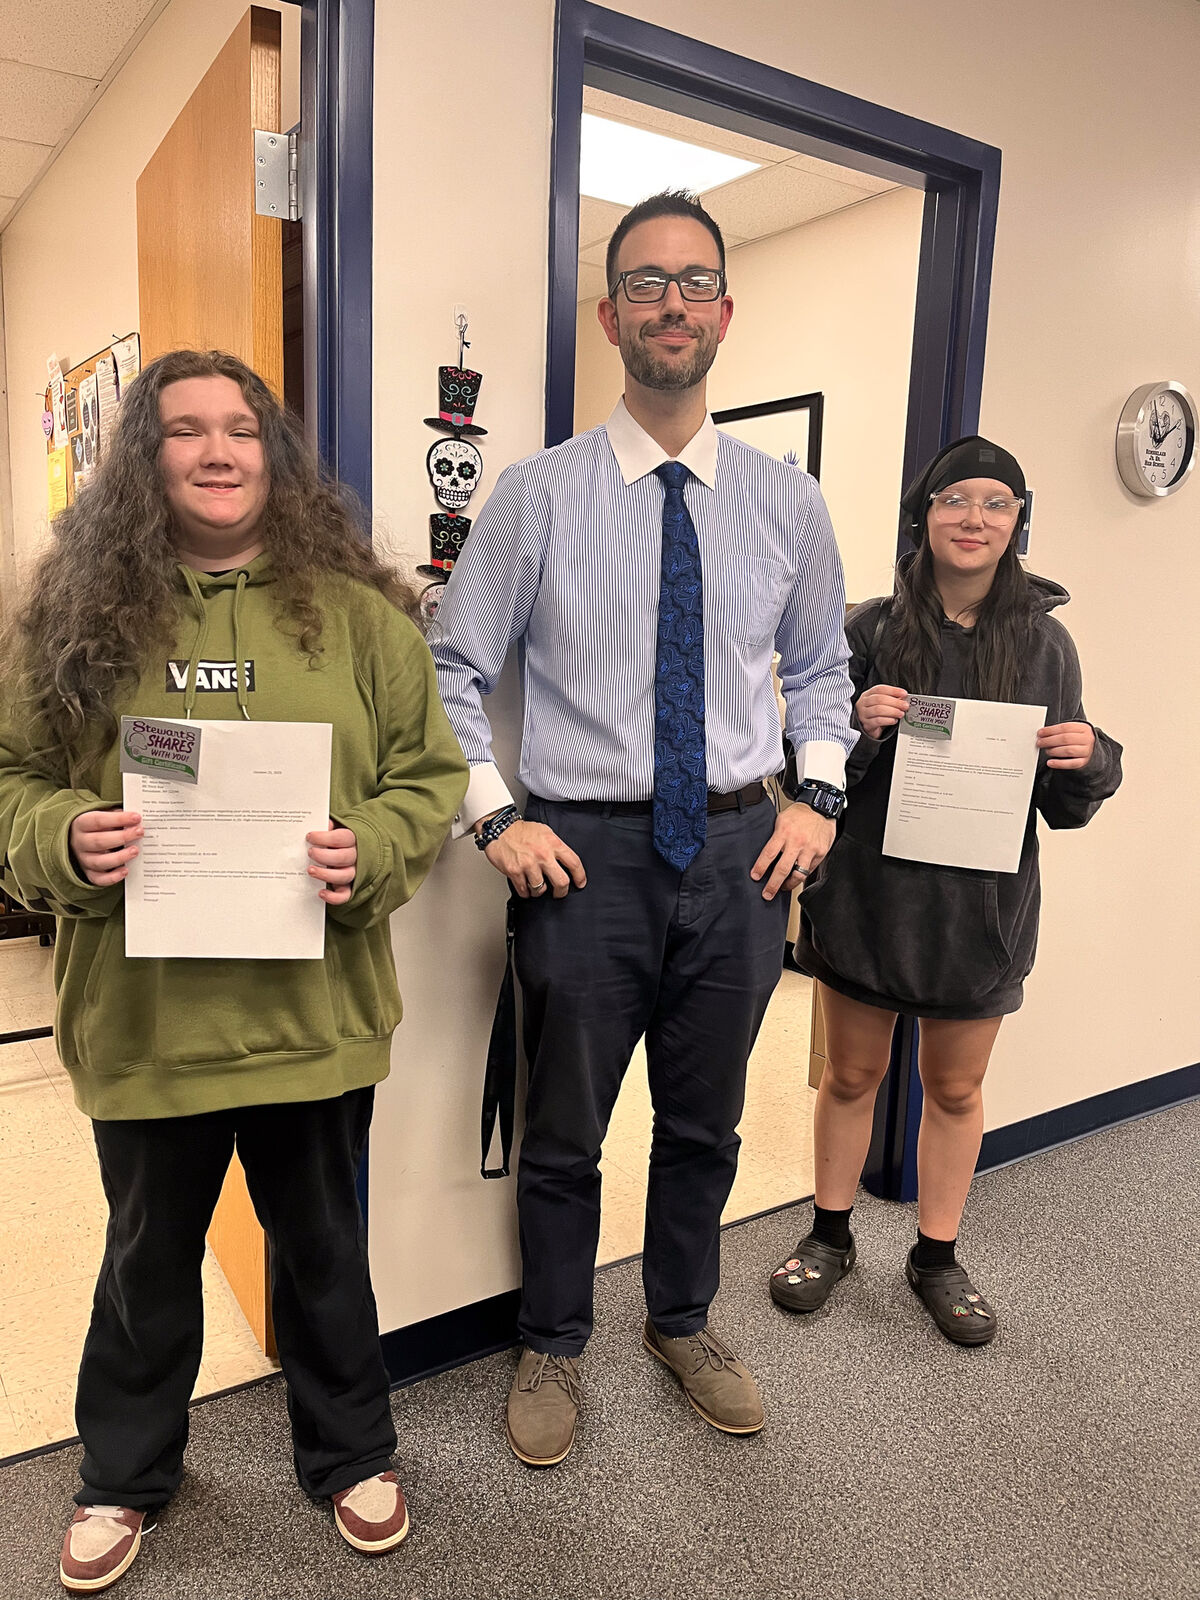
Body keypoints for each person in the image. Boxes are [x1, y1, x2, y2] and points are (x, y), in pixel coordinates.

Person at [0, 350, 467, 1592]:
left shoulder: (364, 619)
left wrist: (365, 846)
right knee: (146, 1262)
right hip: (148, 1018)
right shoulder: (69, 621)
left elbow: (430, 778)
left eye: (240, 430)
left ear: (275, 453)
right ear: (139, 461)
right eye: (184, 430)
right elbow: (10, 782)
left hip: (311, 1013)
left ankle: (353, 1451)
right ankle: (124, 1473)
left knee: (322, 1251)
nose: (216, 451)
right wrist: (62, 836)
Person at [432, 190, 856, 1466]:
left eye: (694, 282)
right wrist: (492, 814)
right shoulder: (538, 495)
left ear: (724, 312)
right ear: (611, 315)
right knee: (565, 1127)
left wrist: (818, 797)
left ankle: (681, 1319)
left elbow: (821, 668)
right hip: (584, 858)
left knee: (705, 1121)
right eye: (646, 282)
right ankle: (552, 1339)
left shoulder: (786, 504)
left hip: (737, 858)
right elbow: (448, 669)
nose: (672, 302)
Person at [769, 436, 1122, 1344]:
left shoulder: (1046, 645)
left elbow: (1066, 803)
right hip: (872, 903)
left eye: (995, 504)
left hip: (980, 914)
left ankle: (936, 1255)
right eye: (955, 500)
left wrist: (1091, 758)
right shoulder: (867, 631)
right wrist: (855, 727)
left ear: (1017, 525)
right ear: (922, 518)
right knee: (851, 1074)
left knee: (955, 1092)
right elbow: (798, 769)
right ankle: (830, 1234)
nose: (974, 519)